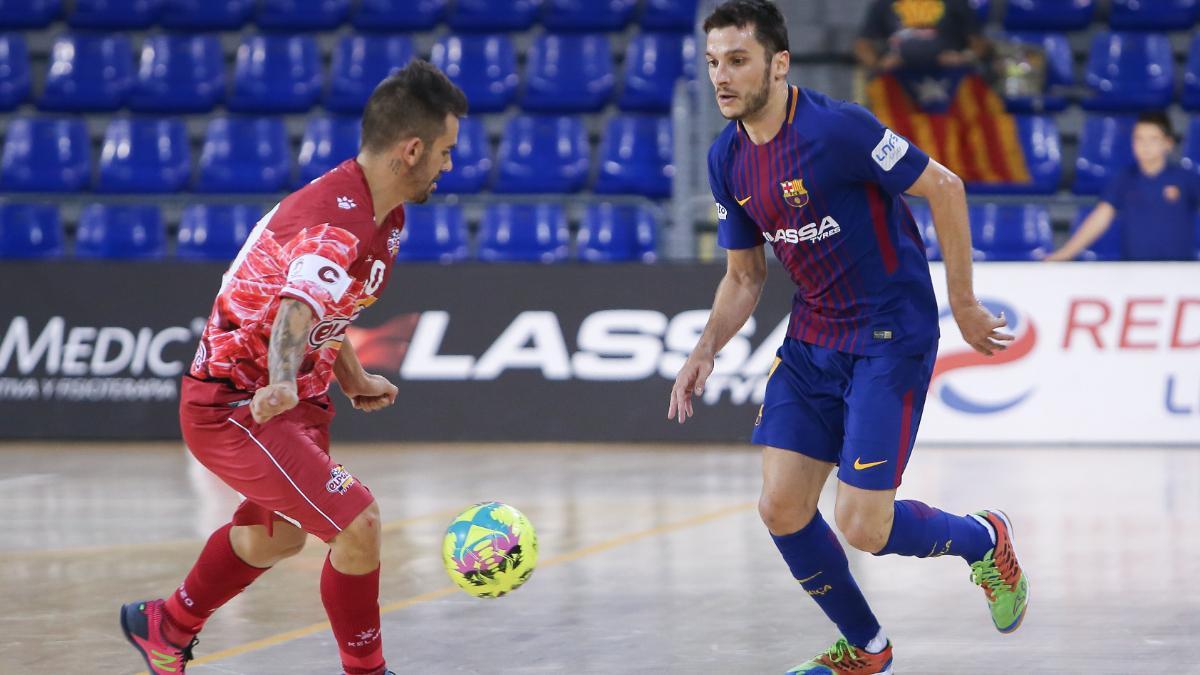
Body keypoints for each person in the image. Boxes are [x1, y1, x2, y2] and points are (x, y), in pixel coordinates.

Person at [669, 2, 1028, 673]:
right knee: (780, 506)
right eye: (713, 61)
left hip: (890, 332)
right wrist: (705, 347)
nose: (721, 76)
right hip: (813, 335)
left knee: (863, 525)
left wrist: (964, 302)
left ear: (779, 63)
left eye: (737, 60)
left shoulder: (839, 129)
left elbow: (944, 187)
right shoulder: (726, 159)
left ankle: (983, 537)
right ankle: (867, 649)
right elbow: (744, 276)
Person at [118, 60, 467, 675]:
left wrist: (351, 376)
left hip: (289, 400)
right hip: (238, 405)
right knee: (358, 524)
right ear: (411, 150)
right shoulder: (337, 223)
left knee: (276, 537)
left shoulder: (384, 217)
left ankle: (166, 625)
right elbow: (294, 313)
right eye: (444, 151)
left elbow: (325, 312)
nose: (448, 165)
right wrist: (281, 381)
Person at [1047, 111, 1200, 262]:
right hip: (1134, 273)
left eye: (1153, 139)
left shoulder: (1186, 178)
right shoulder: (1124, 179)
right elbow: (1100, 218)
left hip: (1179, 273)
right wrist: (1066, 253)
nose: (1145, 145)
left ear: (1168, 143)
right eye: (1139, 138)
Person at [854, 0, 989, 77]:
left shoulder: (956, 2)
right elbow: (863, 44)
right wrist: (878, 65)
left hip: (948, 74)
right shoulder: (884, 3)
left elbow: (979, 42)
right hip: (898, 75)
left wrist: (964, 58)